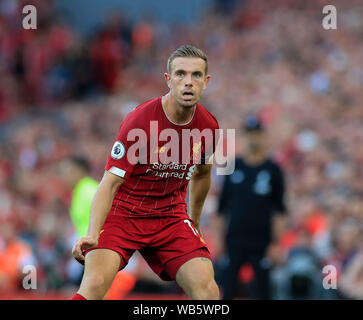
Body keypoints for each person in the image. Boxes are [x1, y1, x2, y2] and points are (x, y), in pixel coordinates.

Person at [70, 45, 220, 300]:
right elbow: (109, 183)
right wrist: (93, 233)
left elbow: (203, 174)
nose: (188, 82)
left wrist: (194, 221)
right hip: (123, 213)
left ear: (205, 82)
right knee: (93, 286)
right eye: (181, 74)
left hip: (170, 216)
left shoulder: (210, 126)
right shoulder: (139, 120)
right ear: (168, 79)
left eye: (196, 75)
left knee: (208, 290)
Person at [217, 115, 287, 300]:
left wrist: (276, 243)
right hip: (234, 239)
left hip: (262, 241)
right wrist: (219, 240)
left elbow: (279, 210)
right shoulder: (233, 166)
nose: (252, 138)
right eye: (249, 134)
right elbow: (221, 208)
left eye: (256, 134)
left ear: (263, 136)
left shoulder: (272, 169)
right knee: (228, 288)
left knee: (263, 291)